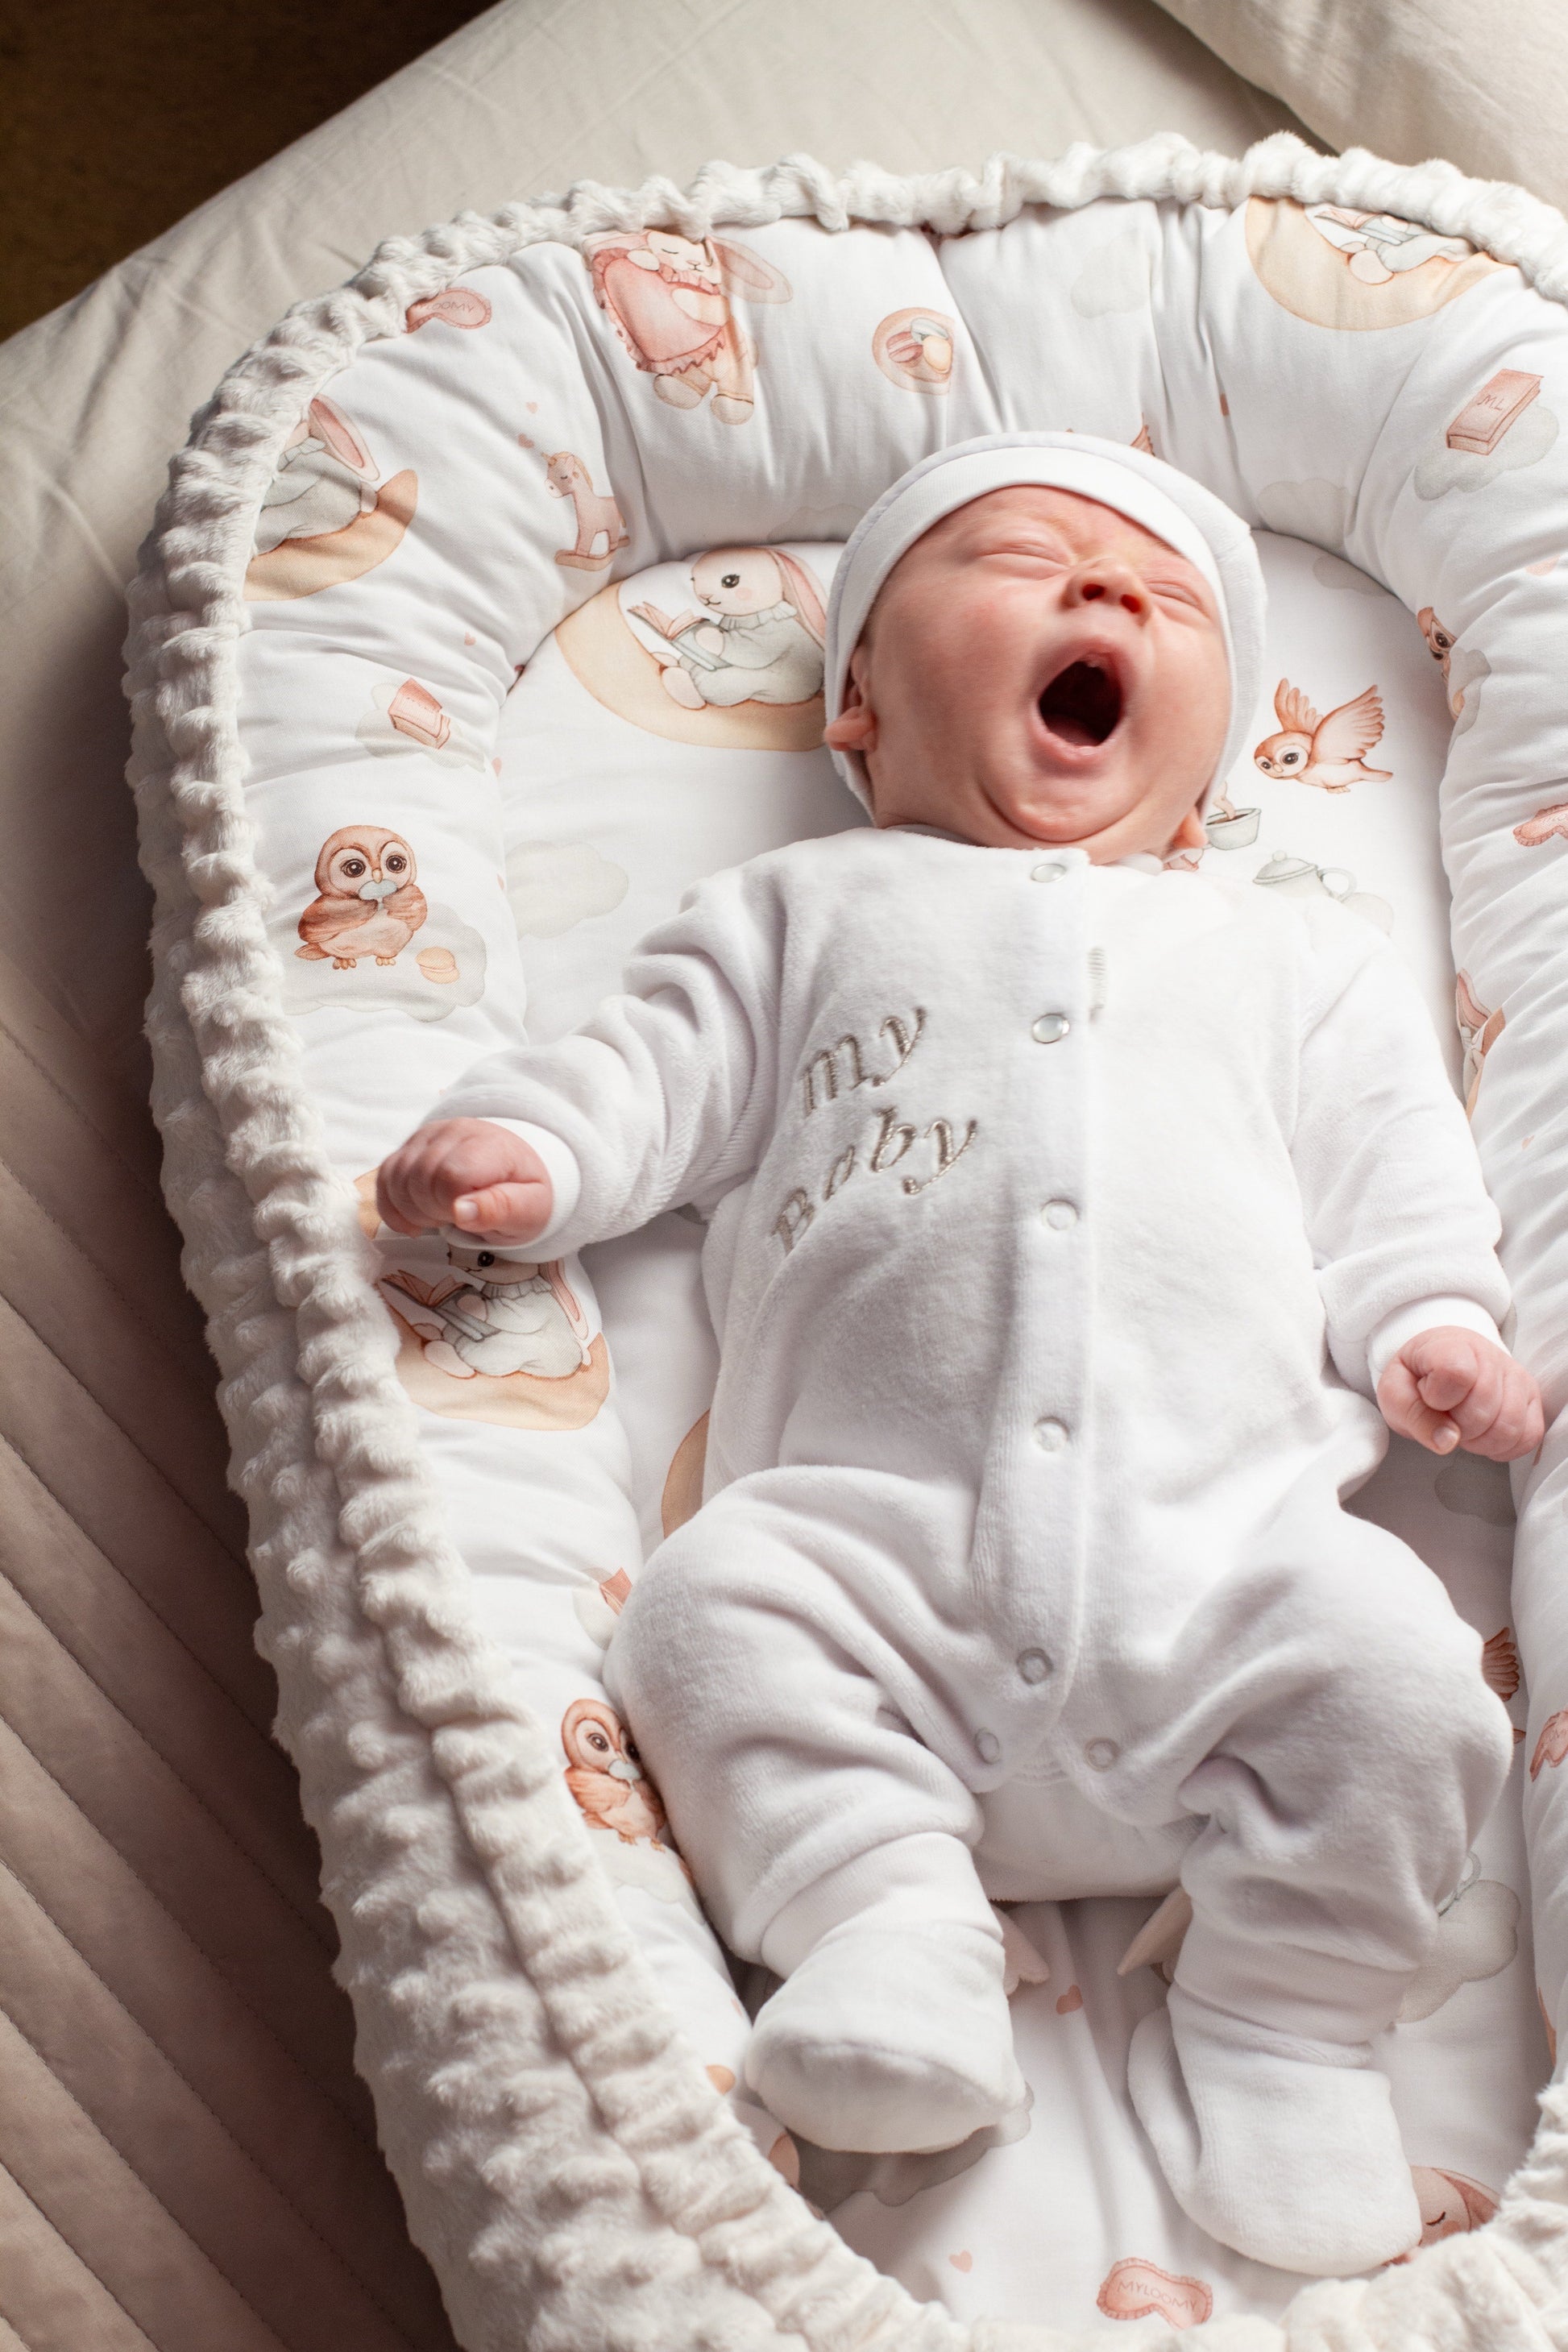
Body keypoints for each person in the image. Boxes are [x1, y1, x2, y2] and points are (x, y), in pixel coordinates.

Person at [375, 433, 1541, 2278]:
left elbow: (1395, 1168)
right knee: (701, 1614)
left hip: (1224, 1576)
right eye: (1020, 558)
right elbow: (645, 1070)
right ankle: (887, 1920)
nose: (1102, 595)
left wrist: (1435, 1326)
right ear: (856, 703)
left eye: (1163, 600)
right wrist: (541, 1157)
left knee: (1407, 1677)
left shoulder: (1281, 953)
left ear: (1211, 761)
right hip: (874, 1564)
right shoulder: (796, 914)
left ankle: (1282, 2018)